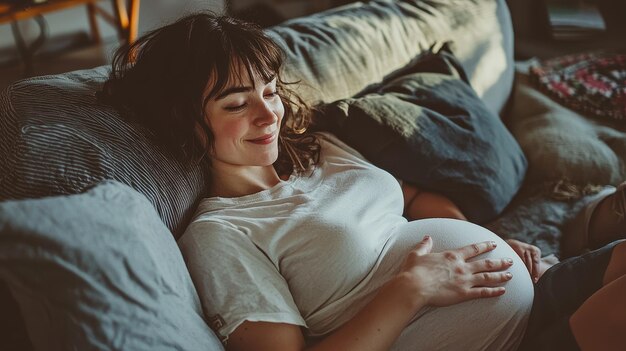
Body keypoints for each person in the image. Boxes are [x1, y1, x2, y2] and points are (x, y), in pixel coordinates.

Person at [98, 12, 626, 351]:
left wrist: (488, 252)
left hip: (530, 288)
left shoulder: (318, 150)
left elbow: (415, 201)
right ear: (182, 121)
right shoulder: (221, 234)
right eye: (237, 104)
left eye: (270, 90)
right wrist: (411, 290)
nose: (269, 114)